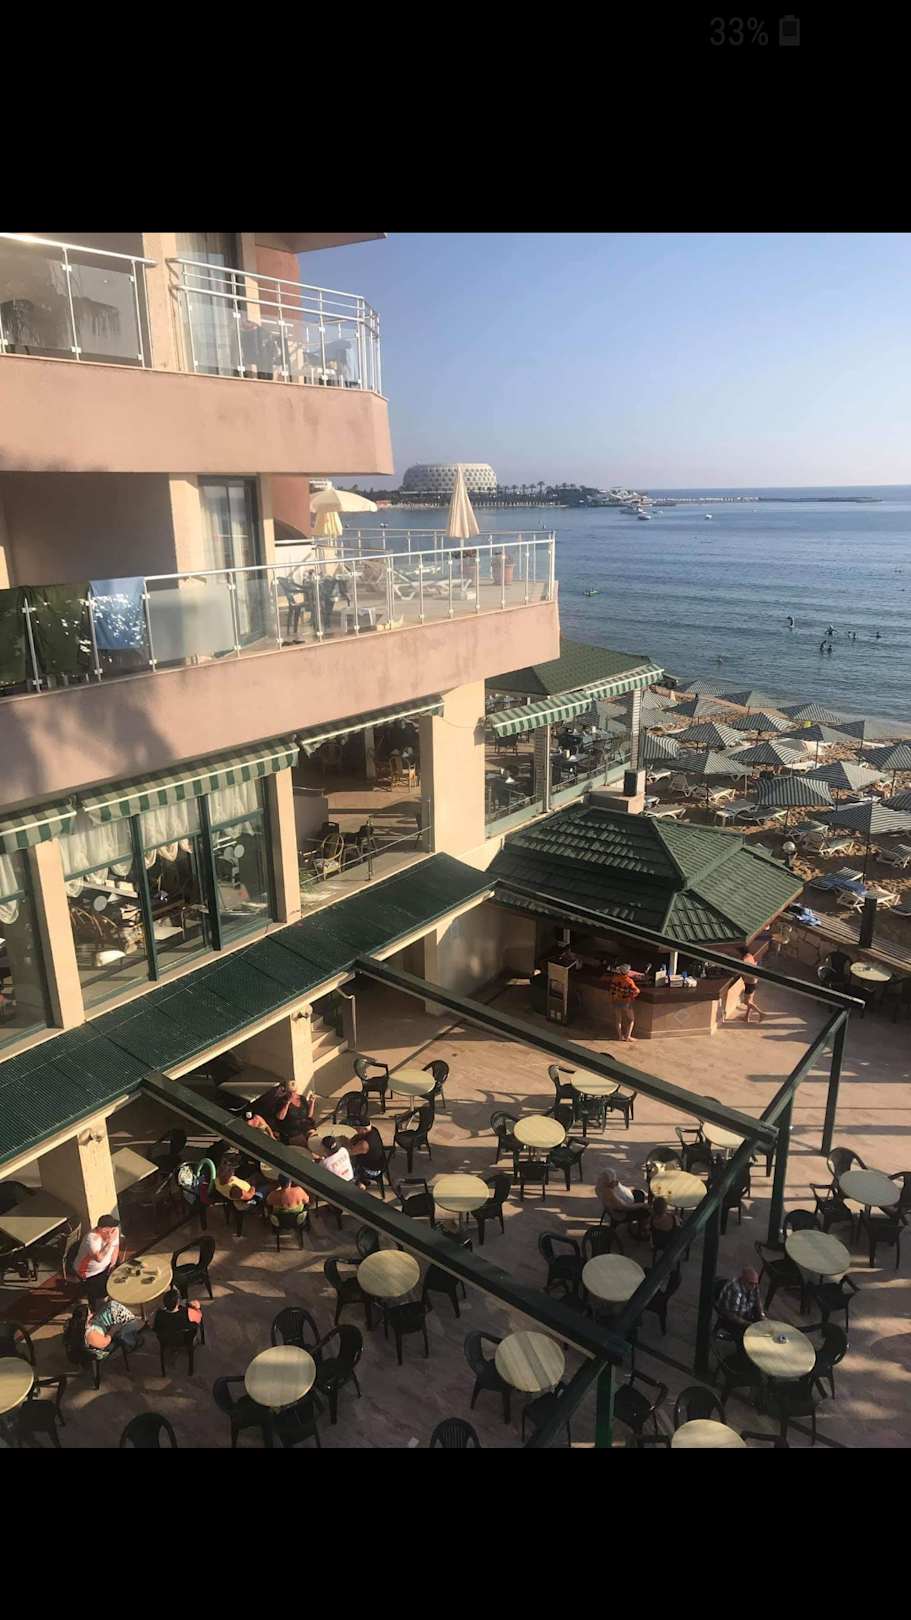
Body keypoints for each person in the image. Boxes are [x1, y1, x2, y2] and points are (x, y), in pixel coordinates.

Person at [74, 1214, 122, 1304]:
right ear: (103, 1230)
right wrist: (109, 1242)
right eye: (111, 1228)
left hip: (107, 1265)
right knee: (101, 1296)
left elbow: (116, 1247)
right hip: (90, 1272)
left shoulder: (114, 1230)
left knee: (118, 1281)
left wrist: (113, 1264)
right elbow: (99, 1258)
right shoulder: (91, 1239)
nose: (114, 1229)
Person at [596, 1168, 649, 1240]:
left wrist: (619, 1188)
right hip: (620, 1213)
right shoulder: (609, 1193)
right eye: (613, 1180)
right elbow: (624, 1207)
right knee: (645, 1211)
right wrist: (641, 1205)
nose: (615, 1181)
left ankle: (639, 1224)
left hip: (615, 1207)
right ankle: (642, 1231)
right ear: (608, 1182)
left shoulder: (600, 1187)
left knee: (639, 1193)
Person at [716, 1266, 764, 1335]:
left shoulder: (753, 1286)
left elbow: (757, 1301)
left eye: (756, 1283)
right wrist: (749, 1324)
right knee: (752, 1335)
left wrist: (762, 1315)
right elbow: (732, 1315)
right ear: (742, 1280)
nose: (754, 1286)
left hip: (745, 1313)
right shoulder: (735, 1289)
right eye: (751, 1283)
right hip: (730, 1318)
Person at [604, 962, 641, 1041]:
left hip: (616, 1001)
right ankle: (628, 1036)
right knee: (631, 1019)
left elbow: (611, 990)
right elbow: (636, 991)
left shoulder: (615, 979)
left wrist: (611, 999)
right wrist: (632, 996)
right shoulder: (629, 981)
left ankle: (620, 1036)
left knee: (618, 1020)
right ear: (627, 972)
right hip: (626, 1002)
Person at [739, 946, 765, 1023]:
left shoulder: (744, 959)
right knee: (750, 1001)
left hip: (749, 982)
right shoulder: (750, 956)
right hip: (754, 981)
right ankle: (746, 1017)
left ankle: (761, 1013)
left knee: (746, 1002)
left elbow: (743, 970)